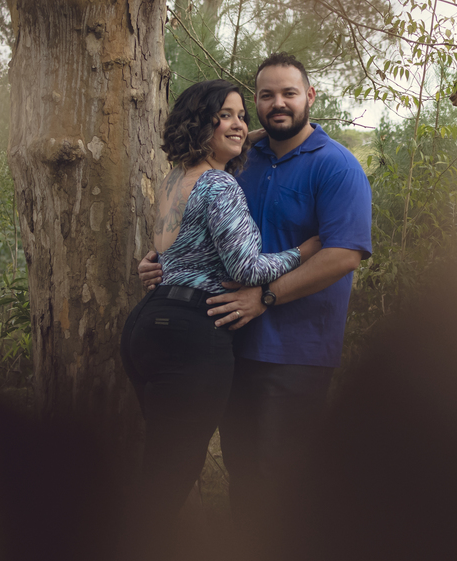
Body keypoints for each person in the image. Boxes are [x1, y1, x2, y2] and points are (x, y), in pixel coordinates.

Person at [139, 54, 373, 513]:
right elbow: (200, 217)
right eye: (265, 96)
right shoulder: (242, 159)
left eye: (289, 93)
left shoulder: (336, 165)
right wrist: (164, 258)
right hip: (229, 341)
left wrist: (266, 296)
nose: (277, 104)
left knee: (282, 479)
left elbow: (344, 253)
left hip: (296, 351)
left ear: (310, 96)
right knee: (243, 475)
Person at [120, 79, 322, 520]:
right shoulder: (220, 187)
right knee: (168, 478)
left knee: (158, 463)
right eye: (225, 115)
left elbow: (175, 253)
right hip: (191, 335)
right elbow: (247, 270)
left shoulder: (175, 178)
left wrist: (241, 133)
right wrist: (308, 248)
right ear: (202, 124)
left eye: (241, 116)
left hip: (145, 328)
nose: (238, 124)